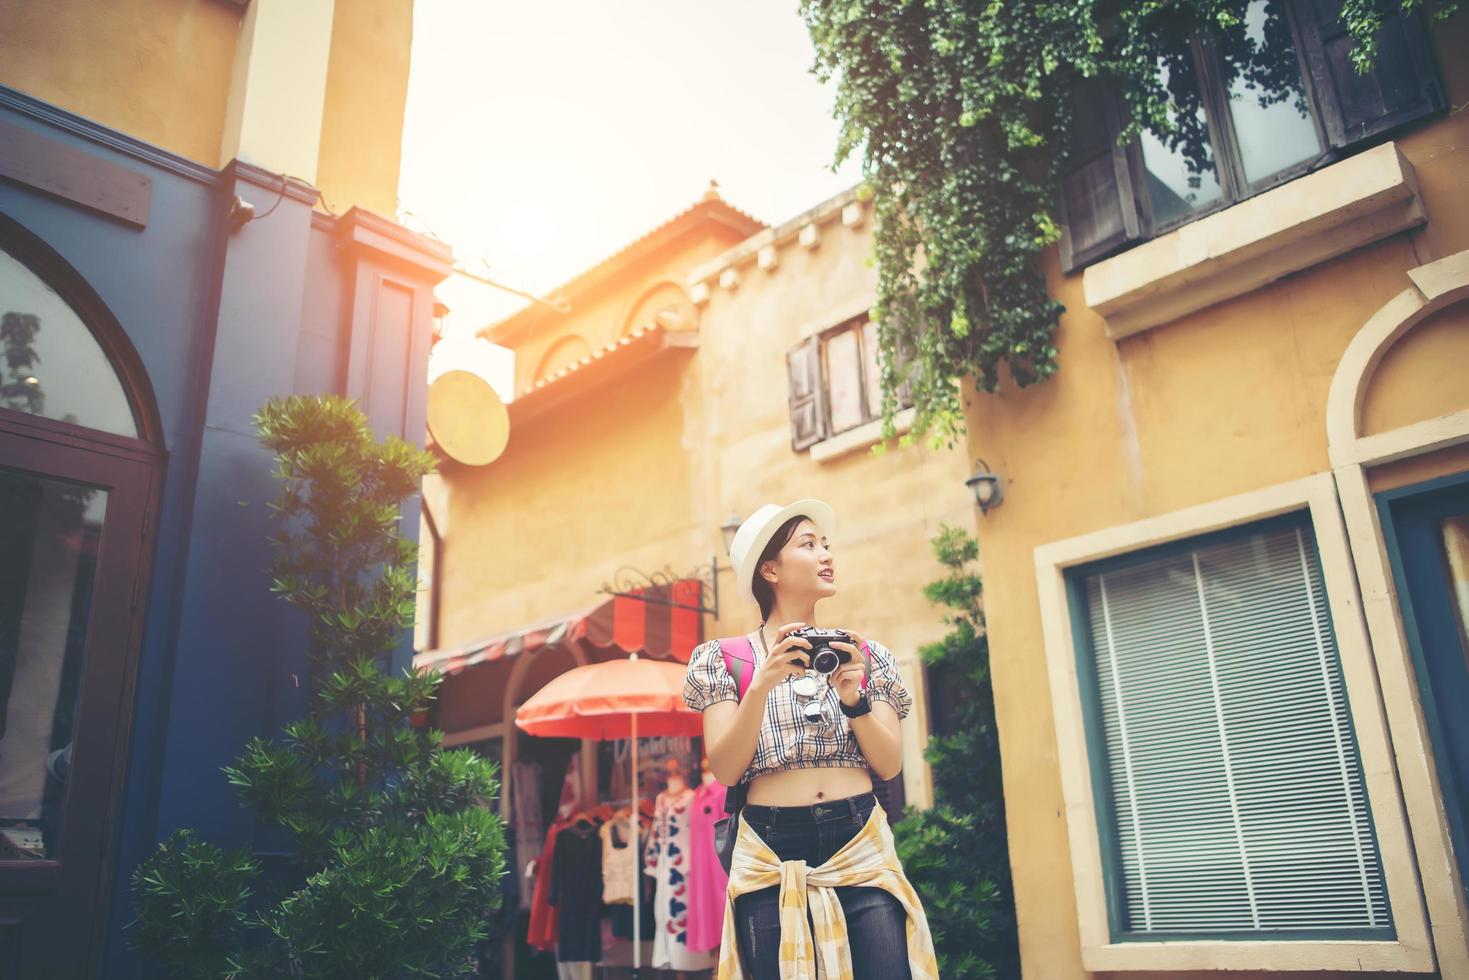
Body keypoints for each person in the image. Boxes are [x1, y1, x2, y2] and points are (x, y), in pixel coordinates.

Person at [682, 500, 938, 980]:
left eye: (826, 545)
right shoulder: (723, 660)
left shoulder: (864, 654)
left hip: (859, 840)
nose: (826, 555)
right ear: (771, 569)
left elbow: (888, 765)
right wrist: (761, 683)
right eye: (809, 544)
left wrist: (853, 698)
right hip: (770, 849)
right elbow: (726, 769)